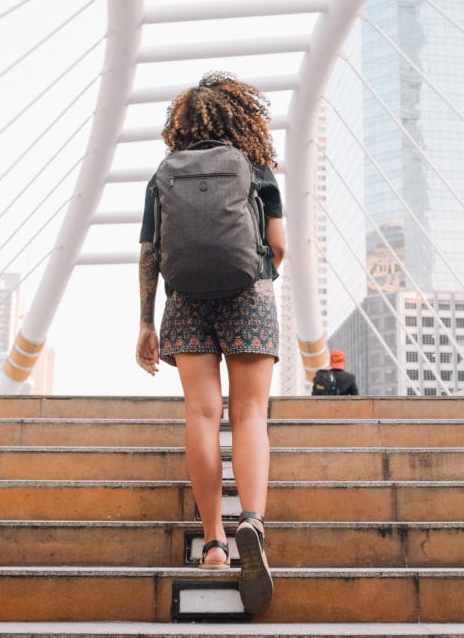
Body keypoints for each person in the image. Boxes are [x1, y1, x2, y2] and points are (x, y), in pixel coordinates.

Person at [135, 72, 285, 615]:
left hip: (185, 299)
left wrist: (147, 322)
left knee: (201, 414)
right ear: (236, 118)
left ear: (181, 124)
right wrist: (258, 274)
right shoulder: (256, 167)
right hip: (250, 292)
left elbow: (150, 253)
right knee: (249, 414)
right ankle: (253, 520)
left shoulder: (162, 175)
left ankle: (216, 544)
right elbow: (278, 245)